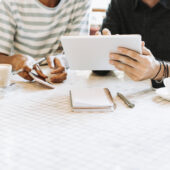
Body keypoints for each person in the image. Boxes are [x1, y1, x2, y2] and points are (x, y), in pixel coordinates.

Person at [0, 0, 91, 83]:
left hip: (62, 80)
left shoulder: (80, 2)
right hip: (20, 81)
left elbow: (78, 54)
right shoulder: (8, 2)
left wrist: (63, 60)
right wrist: (14, 61)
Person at [98, 0, 170, 88]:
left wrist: (159, 70)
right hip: (128, 91)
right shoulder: (119, 3)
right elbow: (100, 69)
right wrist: (99, 50)